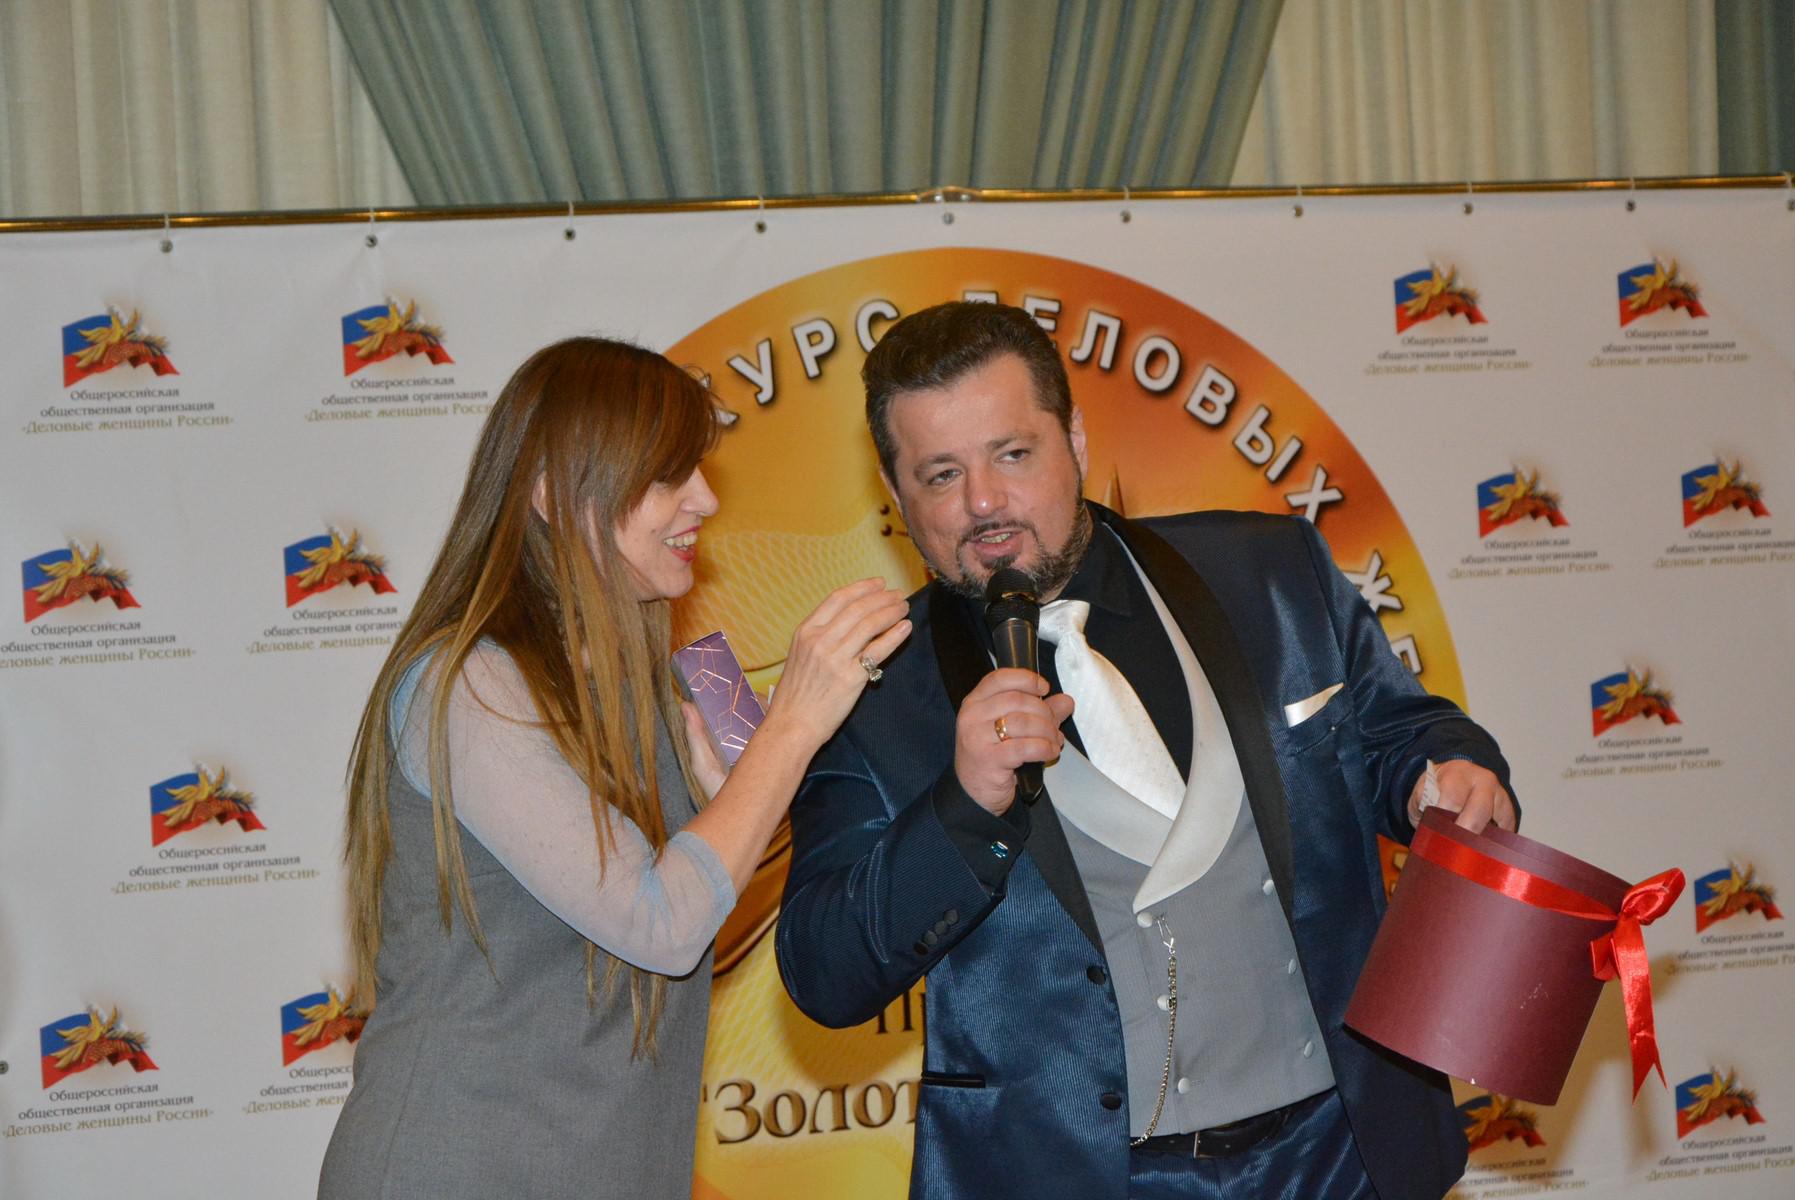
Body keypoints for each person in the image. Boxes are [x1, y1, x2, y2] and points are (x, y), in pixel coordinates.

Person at [775, 302, 1518, 1200]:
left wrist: (1447, 773)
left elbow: (1405, 732)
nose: (983, 503)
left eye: (1012, 454)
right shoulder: (871, 698)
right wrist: (961, 807)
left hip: (1344, 1154)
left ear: (1075, 441)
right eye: (941, 474)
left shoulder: (1269, 571)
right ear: (895, 496)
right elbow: (825, 973)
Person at [317, 337, 909, 1199]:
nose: (706, 499)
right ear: (554, 494)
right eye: (668, 476)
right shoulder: (465, 683)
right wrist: (791, 724)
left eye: (698, 469)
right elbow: (659, 922)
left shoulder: (689, 672)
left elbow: (749, 868)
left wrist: (749, 783)